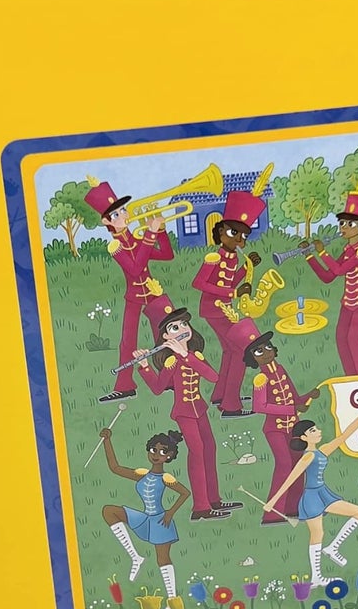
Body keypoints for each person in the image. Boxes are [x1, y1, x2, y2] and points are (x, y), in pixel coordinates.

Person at [266, 396, 358, 587]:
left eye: (316, 428)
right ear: (304, 438)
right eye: (312, 430)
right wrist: (273, 501)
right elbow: (292, 478)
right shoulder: (307, 457)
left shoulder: (323, 450)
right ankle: (316, 577)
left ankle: (333, 547)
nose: (318, 431)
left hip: (323, 493)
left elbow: (345, 434)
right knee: (317, 534)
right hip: (312, 498)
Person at [135, 308, 237, 519]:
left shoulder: (195, 356)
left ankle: (214, 500)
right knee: (197, 451)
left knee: (209, 449)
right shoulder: (171, 362)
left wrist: (185, 354)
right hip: (184, 413)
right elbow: (158, 388)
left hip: (199, 409)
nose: (182, 329)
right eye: (175, 327)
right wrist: (144, 366)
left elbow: (213, 377)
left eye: (184, 324)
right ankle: (201, 507)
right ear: (166, 337)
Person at [85, 177, 175, 403]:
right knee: (128, 342)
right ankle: (125, 386)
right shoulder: (115, 246)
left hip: (153, 292)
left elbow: (167, 255)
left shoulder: (136, 239)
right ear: (106, 221)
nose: (124, 215)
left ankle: (171, 378)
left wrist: (161, 232)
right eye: (116, 214)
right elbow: (135, 269)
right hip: (134, 296)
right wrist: (150, 235)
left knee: (166, 334)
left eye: (123, 210)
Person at [100, 428, 190, 609]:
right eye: (153, 450)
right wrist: (107, 440)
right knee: (109, 511)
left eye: (162, 452)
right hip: (144, 518)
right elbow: (115, 467)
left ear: (169, 456)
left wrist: (170, 512)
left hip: (160, 520)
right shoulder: (142, 474)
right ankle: (135, 557)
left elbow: (185, 493)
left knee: (163, 559)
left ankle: (173, 603)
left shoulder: (166, 478)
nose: (156, 455)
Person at [191, 187, 266, 416]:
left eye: (243, 236)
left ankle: (221, 395)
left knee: (230, 351)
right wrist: (233, 293)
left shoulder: (232, 257)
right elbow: (199, 283)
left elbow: (229, 280)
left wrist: (246, 268)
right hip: (215, 310)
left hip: (223, 309)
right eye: (234, 233)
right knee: (241, 352)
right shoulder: (214, 257)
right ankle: (231, 405)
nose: (239, 240)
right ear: (221, 231)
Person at [243, 327, 319, 525]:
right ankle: (273, 513)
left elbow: (294, 397)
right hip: (275, 429)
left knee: (298, 464)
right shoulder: (261, 378)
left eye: (268, 347)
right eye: (258, 351)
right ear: (253, 359)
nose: (266, 353)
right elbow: (259, 406)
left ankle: (293, 508)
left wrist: (308, 396)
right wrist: (291, 408)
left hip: (293, 428)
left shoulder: (281, 370)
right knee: (284, 465)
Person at [306, 180, 358, 373]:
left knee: (353, 337)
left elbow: (340, 270)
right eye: (342, 223)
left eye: (350, 224)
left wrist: (322, 253)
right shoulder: (347, 249)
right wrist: (309, 257)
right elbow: (329, 277)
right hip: (348, 301)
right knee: (340, 338)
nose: (344, 227)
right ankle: (351, 376)